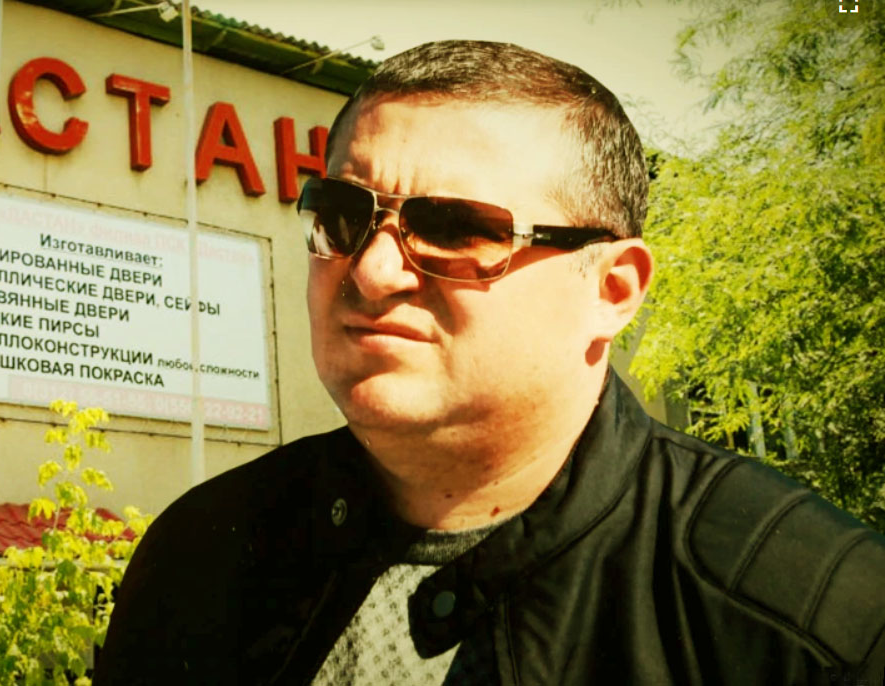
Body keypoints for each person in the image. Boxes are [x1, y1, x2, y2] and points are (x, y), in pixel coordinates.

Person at [94, 41, 885, 685]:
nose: (371, 271)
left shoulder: (808, 617)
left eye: (453, 228)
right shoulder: (203, 553)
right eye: (341, 215)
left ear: (612, 290)